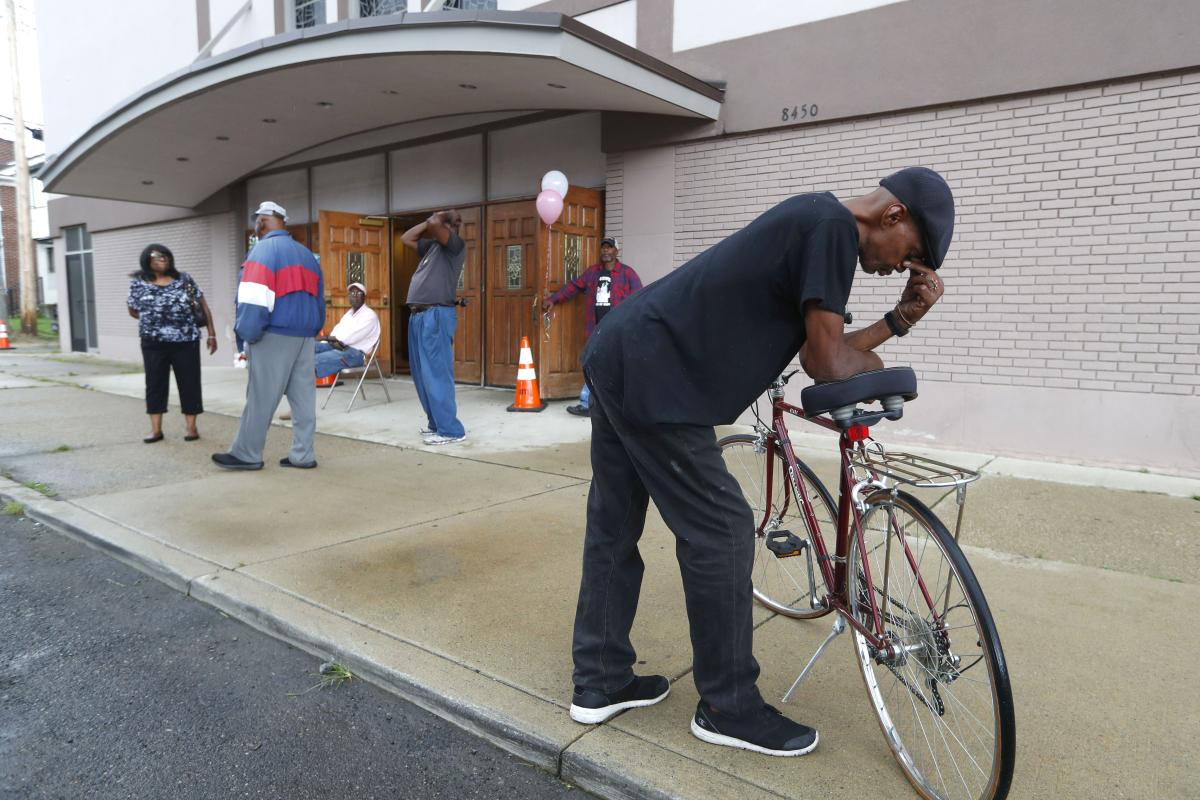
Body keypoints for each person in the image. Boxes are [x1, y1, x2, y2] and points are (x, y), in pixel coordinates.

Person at [568, 167, 953, 757]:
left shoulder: (819, 223)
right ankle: (727, 706)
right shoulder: (832, 229)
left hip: (625, 350)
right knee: (722, 530)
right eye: (914, 253)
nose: (905, 267)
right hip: (655, 371)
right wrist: (883, 359)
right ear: (894, 216)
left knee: (615, 525)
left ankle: (599, 681)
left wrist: (897, 323)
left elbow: (817, 350)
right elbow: (829, 363)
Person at [212, 201, 325, 471]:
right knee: (303, 399)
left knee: (261, 397)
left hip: (273, 334)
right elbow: (320, 301)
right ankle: (303, 455)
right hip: (305, 336)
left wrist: (246, 336)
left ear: (261, 222)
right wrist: (312, 330)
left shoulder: (262, 251)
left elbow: (253, 301)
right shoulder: (307, 255)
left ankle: (247, 454)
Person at [542, 236, 642, 417]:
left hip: (617, 329)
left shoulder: (628, 274)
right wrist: (553, 299)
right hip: (595, 329)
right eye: (603, 248)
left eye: (609, 248)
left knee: (618, 365)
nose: (606, 251)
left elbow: (639, 298)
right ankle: (587, 403)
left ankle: (619, 403)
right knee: (592, 363)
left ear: (616, 251)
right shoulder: (592, 273)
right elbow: (573, 287)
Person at [126, 244, 217, 443]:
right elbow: (132, 310)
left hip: (185, 341)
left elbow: (203, 305)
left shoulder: (184, 280)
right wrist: (153, 318)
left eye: (166, 256)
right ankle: (156, 430)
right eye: (158, 256)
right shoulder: (138, 283)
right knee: (155, 384)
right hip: (153, 342)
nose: (163, 259)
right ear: (147, 260)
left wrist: (211, 334)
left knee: (190, 383)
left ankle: (191, 428)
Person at [400, 209, 466, 445]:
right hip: (419, 316)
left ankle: (450, 430)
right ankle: (436, 423)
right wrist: (430, 222)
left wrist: (441, 218)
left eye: (447, 224)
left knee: (436, 373)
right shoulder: (432, 248)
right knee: (421, 375)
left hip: (436, 314)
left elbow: (435, 224)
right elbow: (406, 238)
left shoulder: (454, 246)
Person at [315, 282, 380, 378]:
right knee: (308, 347)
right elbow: (336, 331)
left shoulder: (370, 315)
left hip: (356, 354)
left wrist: (324, 338)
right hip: (338, 346)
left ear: (364, 297)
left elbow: (347, 338)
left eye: (358, 293)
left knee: (314, 360)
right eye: (352, 294)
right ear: (349, 297)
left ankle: (300, 387)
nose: (355, 296)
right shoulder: (348, 315)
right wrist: (329, 340)